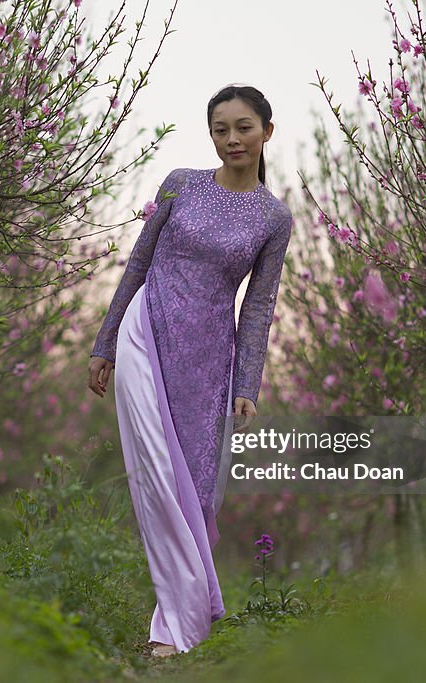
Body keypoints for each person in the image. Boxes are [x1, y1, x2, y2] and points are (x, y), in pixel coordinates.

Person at [86, 84, 293, 657]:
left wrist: (247, 383)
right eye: (221, 128)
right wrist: (105, 343)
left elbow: (259, 305)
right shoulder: (180, 183)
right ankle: (173, 633)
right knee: (157, 474)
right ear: (211, 135)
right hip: (145, 334)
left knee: (198, 495)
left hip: (208, 361)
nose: (232, 139)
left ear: (266, 133)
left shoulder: (274, 219)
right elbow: (139, 262)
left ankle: (184, 614)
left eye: (244, 127)